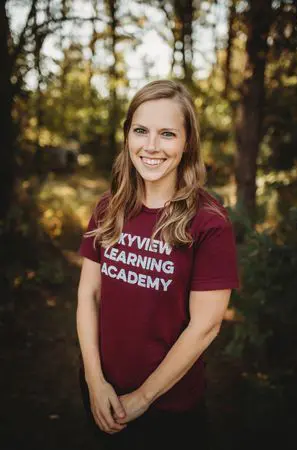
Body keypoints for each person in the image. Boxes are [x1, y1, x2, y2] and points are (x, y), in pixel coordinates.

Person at [76, 79, 240, 450]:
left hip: (170, 409)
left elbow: (206, 325)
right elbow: (88, 294)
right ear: (127, 137)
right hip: (101, 391)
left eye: (167, 134)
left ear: (187, 144)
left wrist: (143, 397)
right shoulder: (110, 207)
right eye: (141, 131)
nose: (151, 146)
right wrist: (93, 379)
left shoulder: (209, 221)